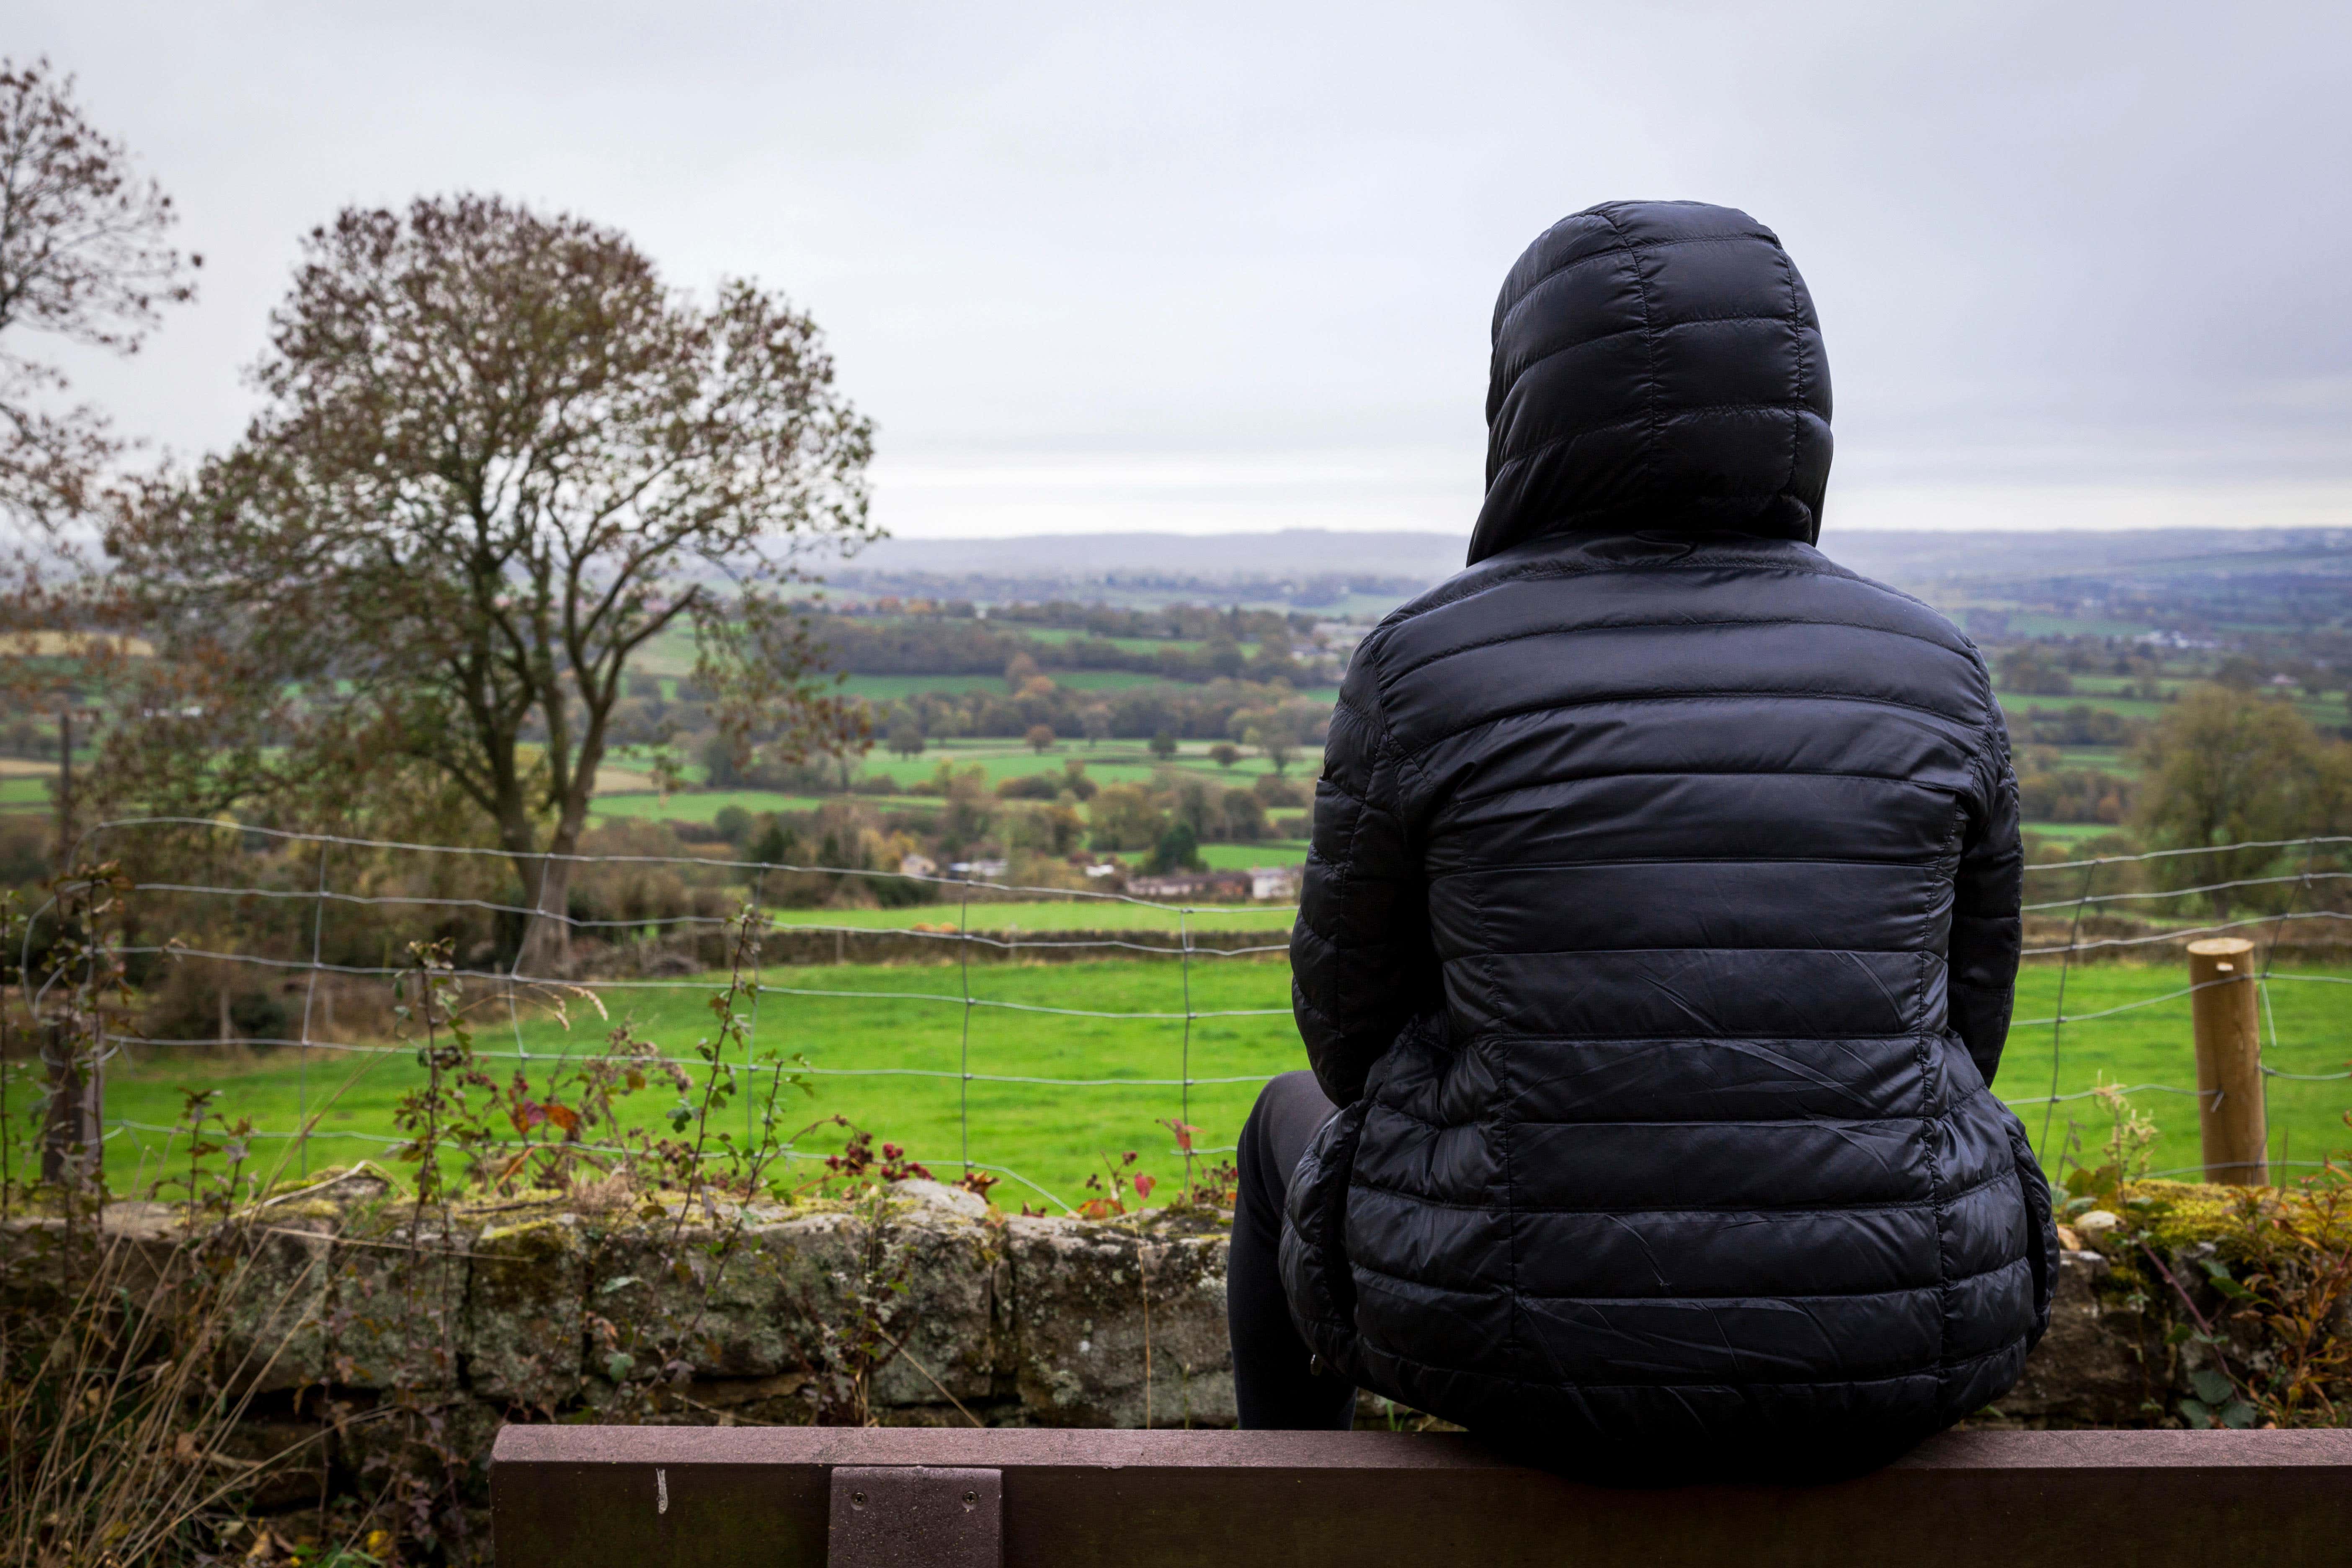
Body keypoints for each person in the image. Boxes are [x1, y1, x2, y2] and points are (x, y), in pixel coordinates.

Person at [1227, 199, 2055, 1475]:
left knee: (1278, 1124)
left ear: (1527, 400)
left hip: (1517, 1339)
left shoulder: (1422, 666)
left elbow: (1348, 1041)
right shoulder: (1935, 668)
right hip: (1898, 1332)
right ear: (1794, 397)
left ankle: (1287, 1514)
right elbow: (1969, 1031)